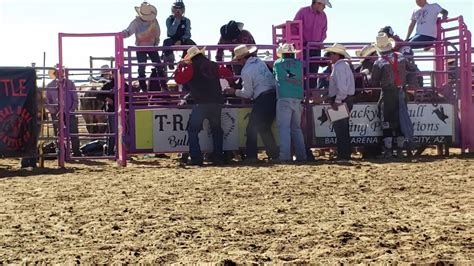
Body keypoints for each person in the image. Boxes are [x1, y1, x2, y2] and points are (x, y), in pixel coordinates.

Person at [173, 46, 234, 166]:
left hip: (201, 103)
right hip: (216, 102)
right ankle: (218, 157)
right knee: (216, 130)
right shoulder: (214, 65)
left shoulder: (191, 67)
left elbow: (179, 79)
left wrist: (180, 66)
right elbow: (228, 74)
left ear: (191, 57)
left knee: (192, 130)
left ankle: (196, 158)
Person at [224, 45, 279, 163]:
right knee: (264, 127)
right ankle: (274, 154)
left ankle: (251, 156)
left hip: (262, 99)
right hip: (273, 96)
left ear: (241, 59)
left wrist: (234, 92)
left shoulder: (246, 71)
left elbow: (248, 94)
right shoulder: (259, 62)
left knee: (251, 129)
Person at [370, 33, 414, 157]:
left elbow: (374, 81)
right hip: (401, 91)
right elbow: (412, 68)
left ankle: (388, 150)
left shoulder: (379, 62)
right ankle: (400, 149)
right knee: (400, 118)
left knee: (386, 120)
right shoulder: (400, 57)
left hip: (387, 93)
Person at [122, 2, 167, 92]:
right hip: (143, 48)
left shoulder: (152, 21)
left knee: (156, 66)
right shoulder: (137, 22)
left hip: (149, 47)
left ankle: (162, 87)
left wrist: (156, 41)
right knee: (143, 68)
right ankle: (145, 88)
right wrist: (122, 34)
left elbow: (157, 33)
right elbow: (128, 32)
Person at [273, 44, 307, 162]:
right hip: (297, 98)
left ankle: (285, 156)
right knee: (296, 128)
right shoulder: (299, 64)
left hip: (284, 98)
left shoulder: (277, 63)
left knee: (284, 128)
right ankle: (302, 156)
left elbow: (275, 76)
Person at [323, 43, 355, 160]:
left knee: (340, 129)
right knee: (342, 128)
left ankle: (344, 154)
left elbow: (342, 88)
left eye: (330, 54)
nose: (329, 56)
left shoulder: (339, 67)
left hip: (341, 99)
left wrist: (337, 100)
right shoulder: (343, 66)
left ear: (337, 55)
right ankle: (344, 153)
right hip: (344, 99)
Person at [294, 0, 331, 88]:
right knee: (302, 71)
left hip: (315, 47)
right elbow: (294, 27)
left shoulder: (323, 16)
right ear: (317, 3)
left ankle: (310, 94)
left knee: (314, 72)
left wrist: (320, 42)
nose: (324, 7)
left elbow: (324, 31)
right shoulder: (302, 12)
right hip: (303, 47)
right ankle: (303, 93)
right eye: (323, 5)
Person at [45, 69, 82, 157]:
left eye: (61, 72)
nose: (60, 74)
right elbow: (47, 101)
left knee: (73, 132)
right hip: (57, 112)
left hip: (69, 111)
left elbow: (75, 98)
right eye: (57, 73)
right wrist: (53, 110)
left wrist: (71, 109)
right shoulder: (50, 86)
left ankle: (76, 152)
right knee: (58, 133)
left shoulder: (70, 84)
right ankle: (61, 152)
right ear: (55, 74)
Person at [162, 0, 196, 69]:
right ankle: (170, 61)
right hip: (172, 39)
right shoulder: (169, 20)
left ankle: (185, 61)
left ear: (183, 10)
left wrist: (181, 40)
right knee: (166, 42)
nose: (178, 11)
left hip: (183, 39)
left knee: (191, 44)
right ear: (173, 10)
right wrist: (176, 21)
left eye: (180, 9)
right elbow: (170, 33)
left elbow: (188, 34)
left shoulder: (187, 20)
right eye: (175, 9)